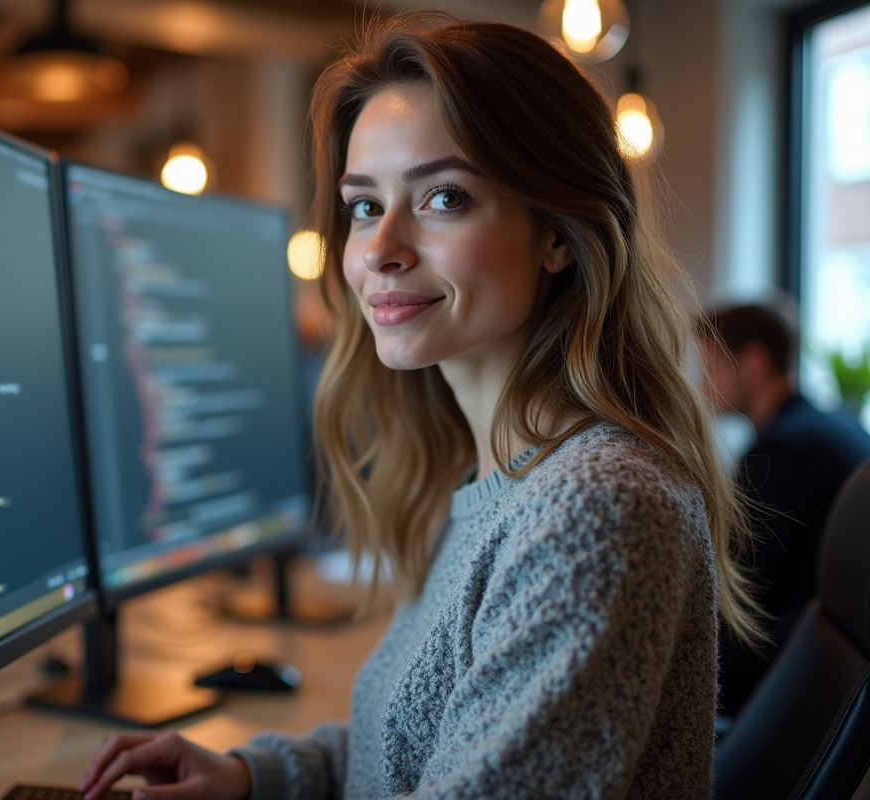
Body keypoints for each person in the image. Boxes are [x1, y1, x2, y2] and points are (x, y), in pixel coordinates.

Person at [78, 11, 761, 799]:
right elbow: (415, 747)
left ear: (559, 235)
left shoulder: (593, 508)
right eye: (365, 205)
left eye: (443, 197)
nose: (380, 248)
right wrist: (250, 776)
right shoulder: (495, 478)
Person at [697, 302, 870, 718]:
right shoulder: (834, 423)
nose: (702, 385)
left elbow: (743, 595)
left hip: (780, 676)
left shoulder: (780, 454)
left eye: (711, 367)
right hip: (817, 667)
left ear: (754, 362)